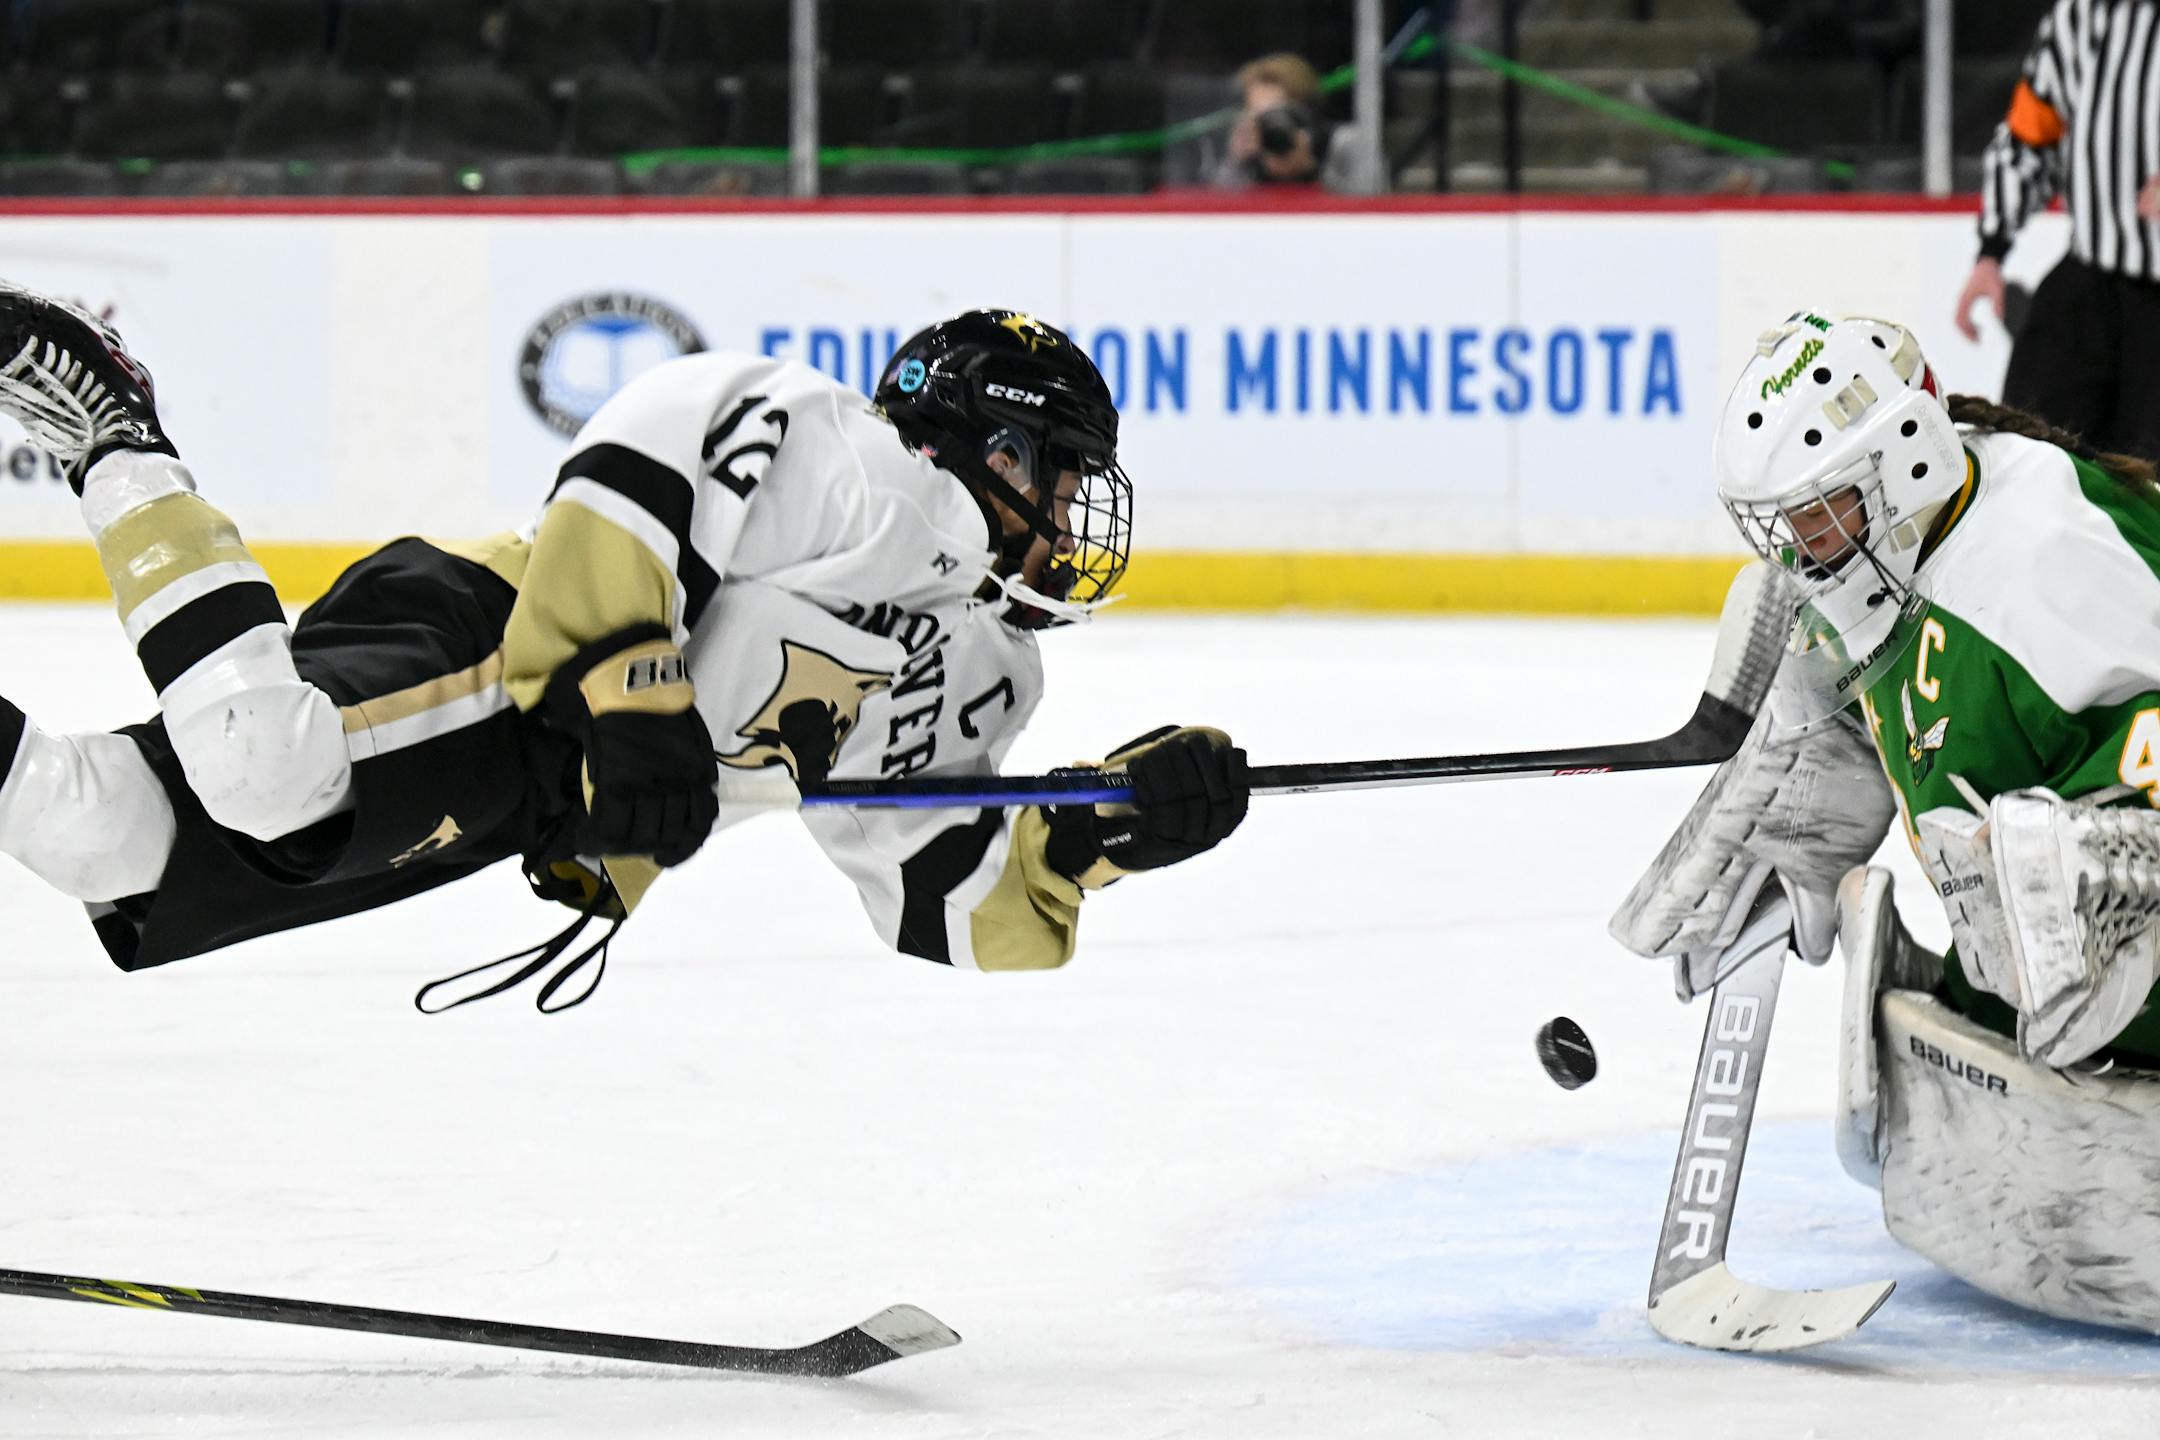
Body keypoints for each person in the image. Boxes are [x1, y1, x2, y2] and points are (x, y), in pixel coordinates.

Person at [0, 286, 1250, 1007]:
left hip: (528, 794)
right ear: (997, 449)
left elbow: (944, 896)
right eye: (1068, 478)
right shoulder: (874, 476)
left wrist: (1108, 835)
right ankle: (117, 433)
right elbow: (660, 430)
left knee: (99, 832)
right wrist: (630, 682)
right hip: (500, 652)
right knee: (263, 773)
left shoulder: (979, 664)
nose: (1072, 528)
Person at [1614, 307, 2160, 1065]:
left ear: (1906, 459)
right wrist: (1815, 788)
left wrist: (2094, 870)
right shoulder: (1898, 557)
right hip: (2059, 1027)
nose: (1802, 553)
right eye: (1786, 527)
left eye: (1815, 517)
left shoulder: (2046, 557)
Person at [1955, 0, 2160, 462]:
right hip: (2089, 282)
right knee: (2024, 455)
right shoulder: (2086, 14)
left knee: (2147, 490)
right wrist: (1992, 251)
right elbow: (2032, 132)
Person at [1214, 53, 1381, 195]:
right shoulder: (1249, 150)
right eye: (1259, 117)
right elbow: (1216, 214)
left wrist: (1311, 170)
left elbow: (1373, 207)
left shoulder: (1343, 143)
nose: (1269, 126)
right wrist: (1236, 163)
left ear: (1307, 111)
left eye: (1277, 115)